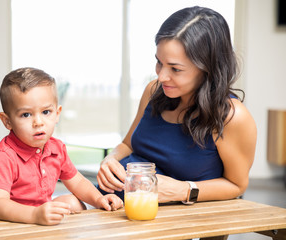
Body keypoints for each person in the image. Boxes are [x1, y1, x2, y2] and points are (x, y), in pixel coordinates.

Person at [97, 6, 257, 204]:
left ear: (207, 68)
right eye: (159, 62)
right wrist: (110, 159)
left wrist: (184, 190)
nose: (161, 76)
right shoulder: (154, 91)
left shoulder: (232, 117)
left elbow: (236, 185)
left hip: (159, 222)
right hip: (106, 202)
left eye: (175, 69)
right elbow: (127, 145)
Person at [0, 67, 123, 225]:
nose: (38, 122)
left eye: (46, 112)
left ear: (57, 113)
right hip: (3, 225)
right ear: (7, 121)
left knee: (74, 203)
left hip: (38, 216)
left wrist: (99, 199)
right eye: (26, 114)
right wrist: (34, 215)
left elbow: (78, 182)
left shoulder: (56, 148)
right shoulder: (3, 157)